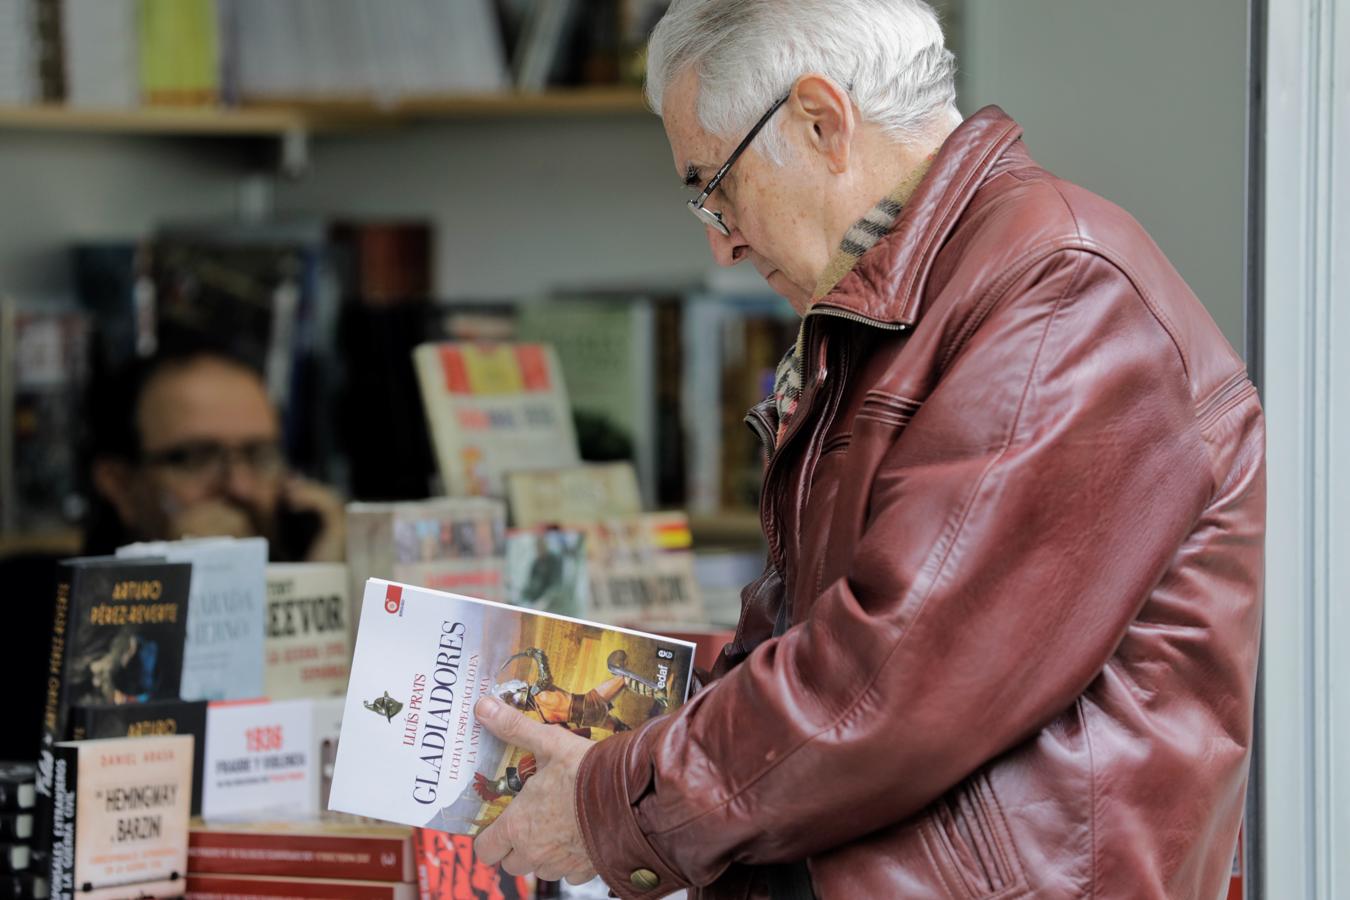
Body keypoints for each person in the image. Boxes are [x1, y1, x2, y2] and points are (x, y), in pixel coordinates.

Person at [469, 1, 1265, 898]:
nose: (720, 241)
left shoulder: (1059, 293)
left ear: (821, 121)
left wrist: (612, 806)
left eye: (714, 185)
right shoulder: (894, 311)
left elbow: (892, 683)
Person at [84, 346, 345, 562]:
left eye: (259, 455)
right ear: (119, 485)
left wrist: (329, 585)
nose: (240, 487)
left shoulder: (316, 547)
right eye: (197, 458)